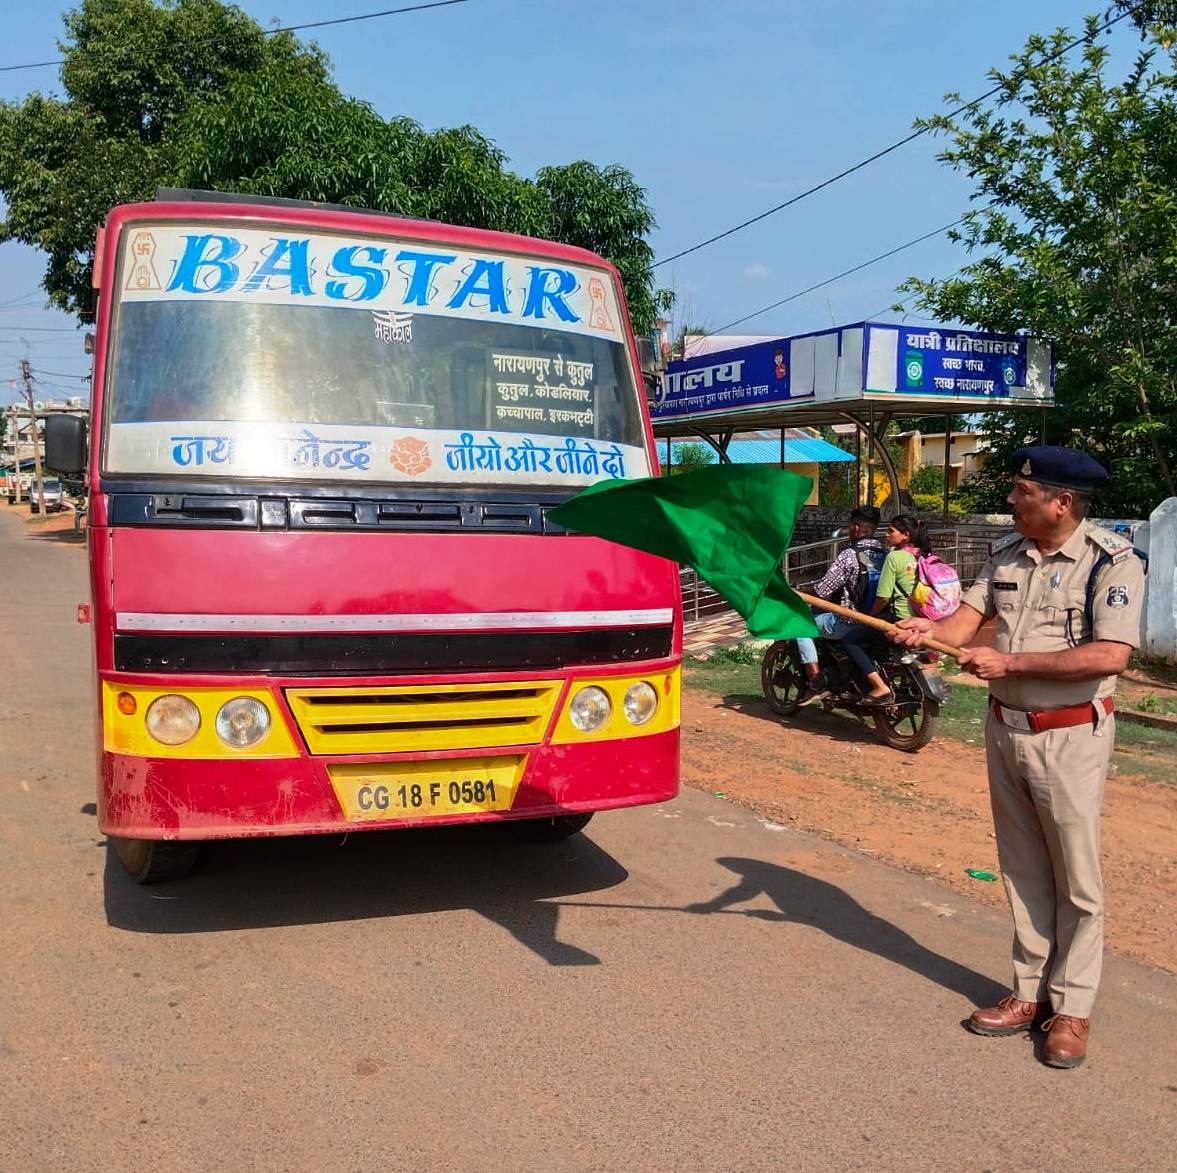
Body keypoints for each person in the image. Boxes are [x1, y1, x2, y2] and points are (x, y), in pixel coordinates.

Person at [891, 445, 1145, 1069]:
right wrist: (929, 631)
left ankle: (1072, 1009)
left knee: (1076, 878)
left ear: (1062, 502)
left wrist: (1009, 662)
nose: (1010, 500)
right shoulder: (1006, 553)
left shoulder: (1111, 562)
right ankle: (1029, 994)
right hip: (1005, 729)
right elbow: (966, 621)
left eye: (1022, 492)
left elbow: (1110, 655)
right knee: (1023, 868)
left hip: (1070, 736)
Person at [793, 506, 884, 705]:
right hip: (875, 620)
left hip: (848, 622)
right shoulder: (884, 554)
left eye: (850, 526)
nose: (849, 530)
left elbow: (822, 590)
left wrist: (799, 593)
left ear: (856, 528)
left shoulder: (849, 555)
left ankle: (815, 682)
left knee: (799, 624)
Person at [838, 513, 931, 706]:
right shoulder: (922, 555)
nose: (887, 535)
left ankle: (879, 686)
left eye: (891, 531)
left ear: (905, 535)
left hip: (897, 617)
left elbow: (883, 597)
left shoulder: (894, 557)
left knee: (850, 640)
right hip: (921, 619)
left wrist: (869, 616)